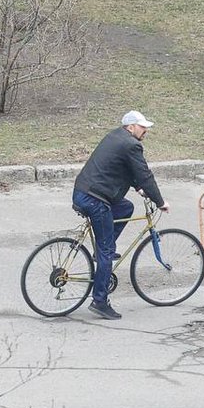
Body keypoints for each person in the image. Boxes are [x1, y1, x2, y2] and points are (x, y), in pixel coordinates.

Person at [72, 111, 170, 320]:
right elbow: (144, 174)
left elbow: (123, 168)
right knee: (107, 251)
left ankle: (101, 252)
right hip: (95, 199)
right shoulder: (131, 144)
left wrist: (138, 188)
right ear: (131, 127)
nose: (146, 130)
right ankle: (99, 300)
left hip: (83, 192)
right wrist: (160, 202)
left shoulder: (115, 136)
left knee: (125, 208)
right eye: (143, 127)